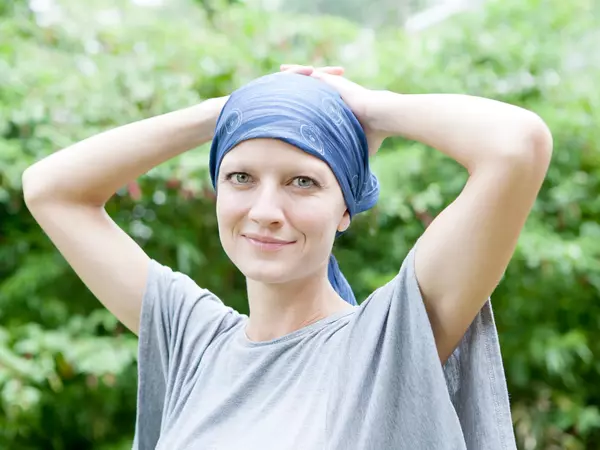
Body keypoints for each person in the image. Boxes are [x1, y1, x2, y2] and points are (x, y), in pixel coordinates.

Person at [22, 64, 552, 450]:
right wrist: (226, 112)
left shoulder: (390, 342)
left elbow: (518, 144)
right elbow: (48, 188)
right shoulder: (193, 341)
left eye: (303, 182)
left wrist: (369, 108)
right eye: (241, 177)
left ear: (345, 208)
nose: (266, 210)